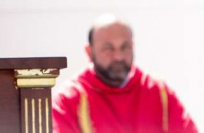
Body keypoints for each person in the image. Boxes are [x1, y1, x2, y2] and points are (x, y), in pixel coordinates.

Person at [52, 14, 198, 133]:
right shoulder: (69, 99)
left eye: (125, 47)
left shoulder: (159, 91)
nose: (118, 57)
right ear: (89, 52)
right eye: (108, 48)